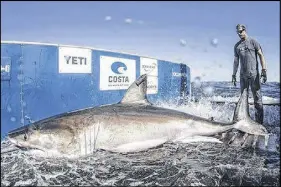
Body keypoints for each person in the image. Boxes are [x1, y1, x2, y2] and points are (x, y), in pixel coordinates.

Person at [232, 24, 267, 124]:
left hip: (254, 75)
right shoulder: (237, 46)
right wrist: (234, 74)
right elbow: (235, 62)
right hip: (243, 76)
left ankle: (259, 123)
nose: (239, 33)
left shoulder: (253, 41)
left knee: (258, 100)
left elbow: (261, 55)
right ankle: (245, 122)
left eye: (241, 31)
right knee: (243, 99)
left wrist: (264, 70)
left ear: (244, 30)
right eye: (238, 32)